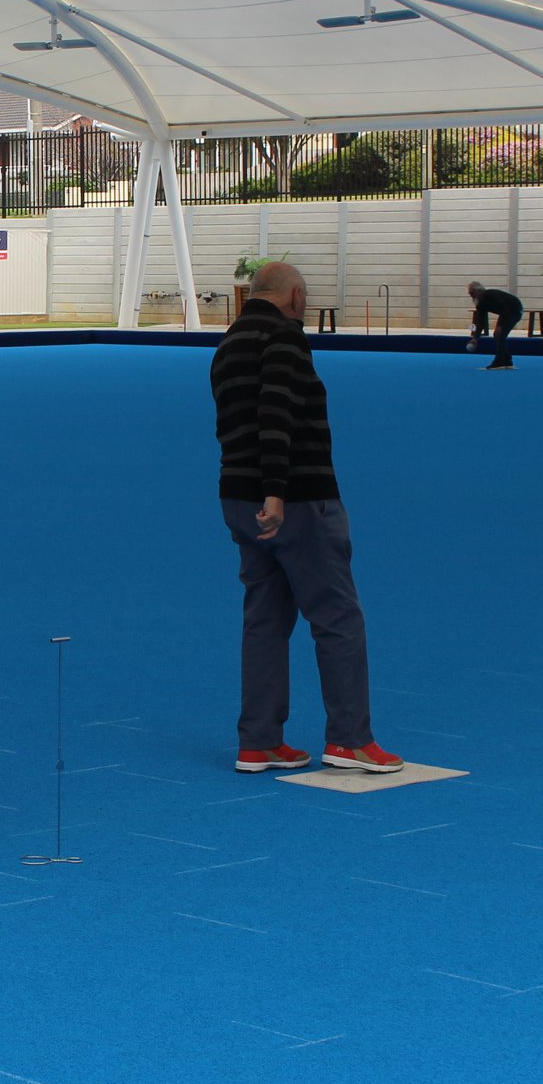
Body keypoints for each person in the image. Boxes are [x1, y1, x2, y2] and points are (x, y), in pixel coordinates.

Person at [212, 263, 401, 776]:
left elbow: (235, 423)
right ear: (294, 295)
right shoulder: (285, 338)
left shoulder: (228, 343)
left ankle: (259, 741)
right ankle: (349, 739)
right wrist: (276, 490)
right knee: (338, 618)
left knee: (265, 621)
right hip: (295, 500)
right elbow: (277, 412)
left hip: (236, 497)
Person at [467, 281, 524, 369]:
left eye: (471, 293)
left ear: (478, 291)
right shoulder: (480, 304)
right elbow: (481, 322)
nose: (470, 295)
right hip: (506, 313)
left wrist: (500, 325)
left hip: (514, 310)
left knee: (500, 335)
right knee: (497, 335)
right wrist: (475, 338)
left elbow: (505, 309)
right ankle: (507, 361)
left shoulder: (491, 295)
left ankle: (499, 362)